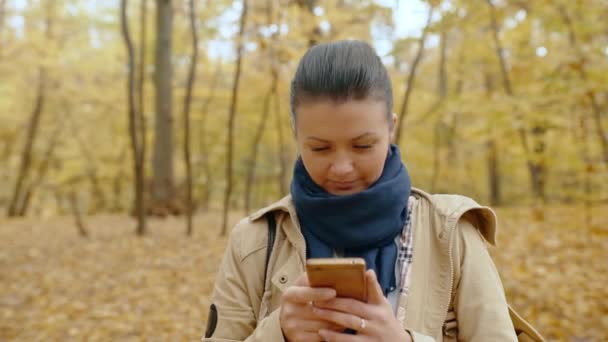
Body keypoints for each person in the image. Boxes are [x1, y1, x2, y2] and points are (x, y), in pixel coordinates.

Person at [203, 40, 518, 341]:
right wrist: (279, 332)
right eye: (321, 148)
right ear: (296, 135)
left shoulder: (450, 234)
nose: (342, 167)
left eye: (362, 145)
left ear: (390, 128)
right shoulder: (254, 241)